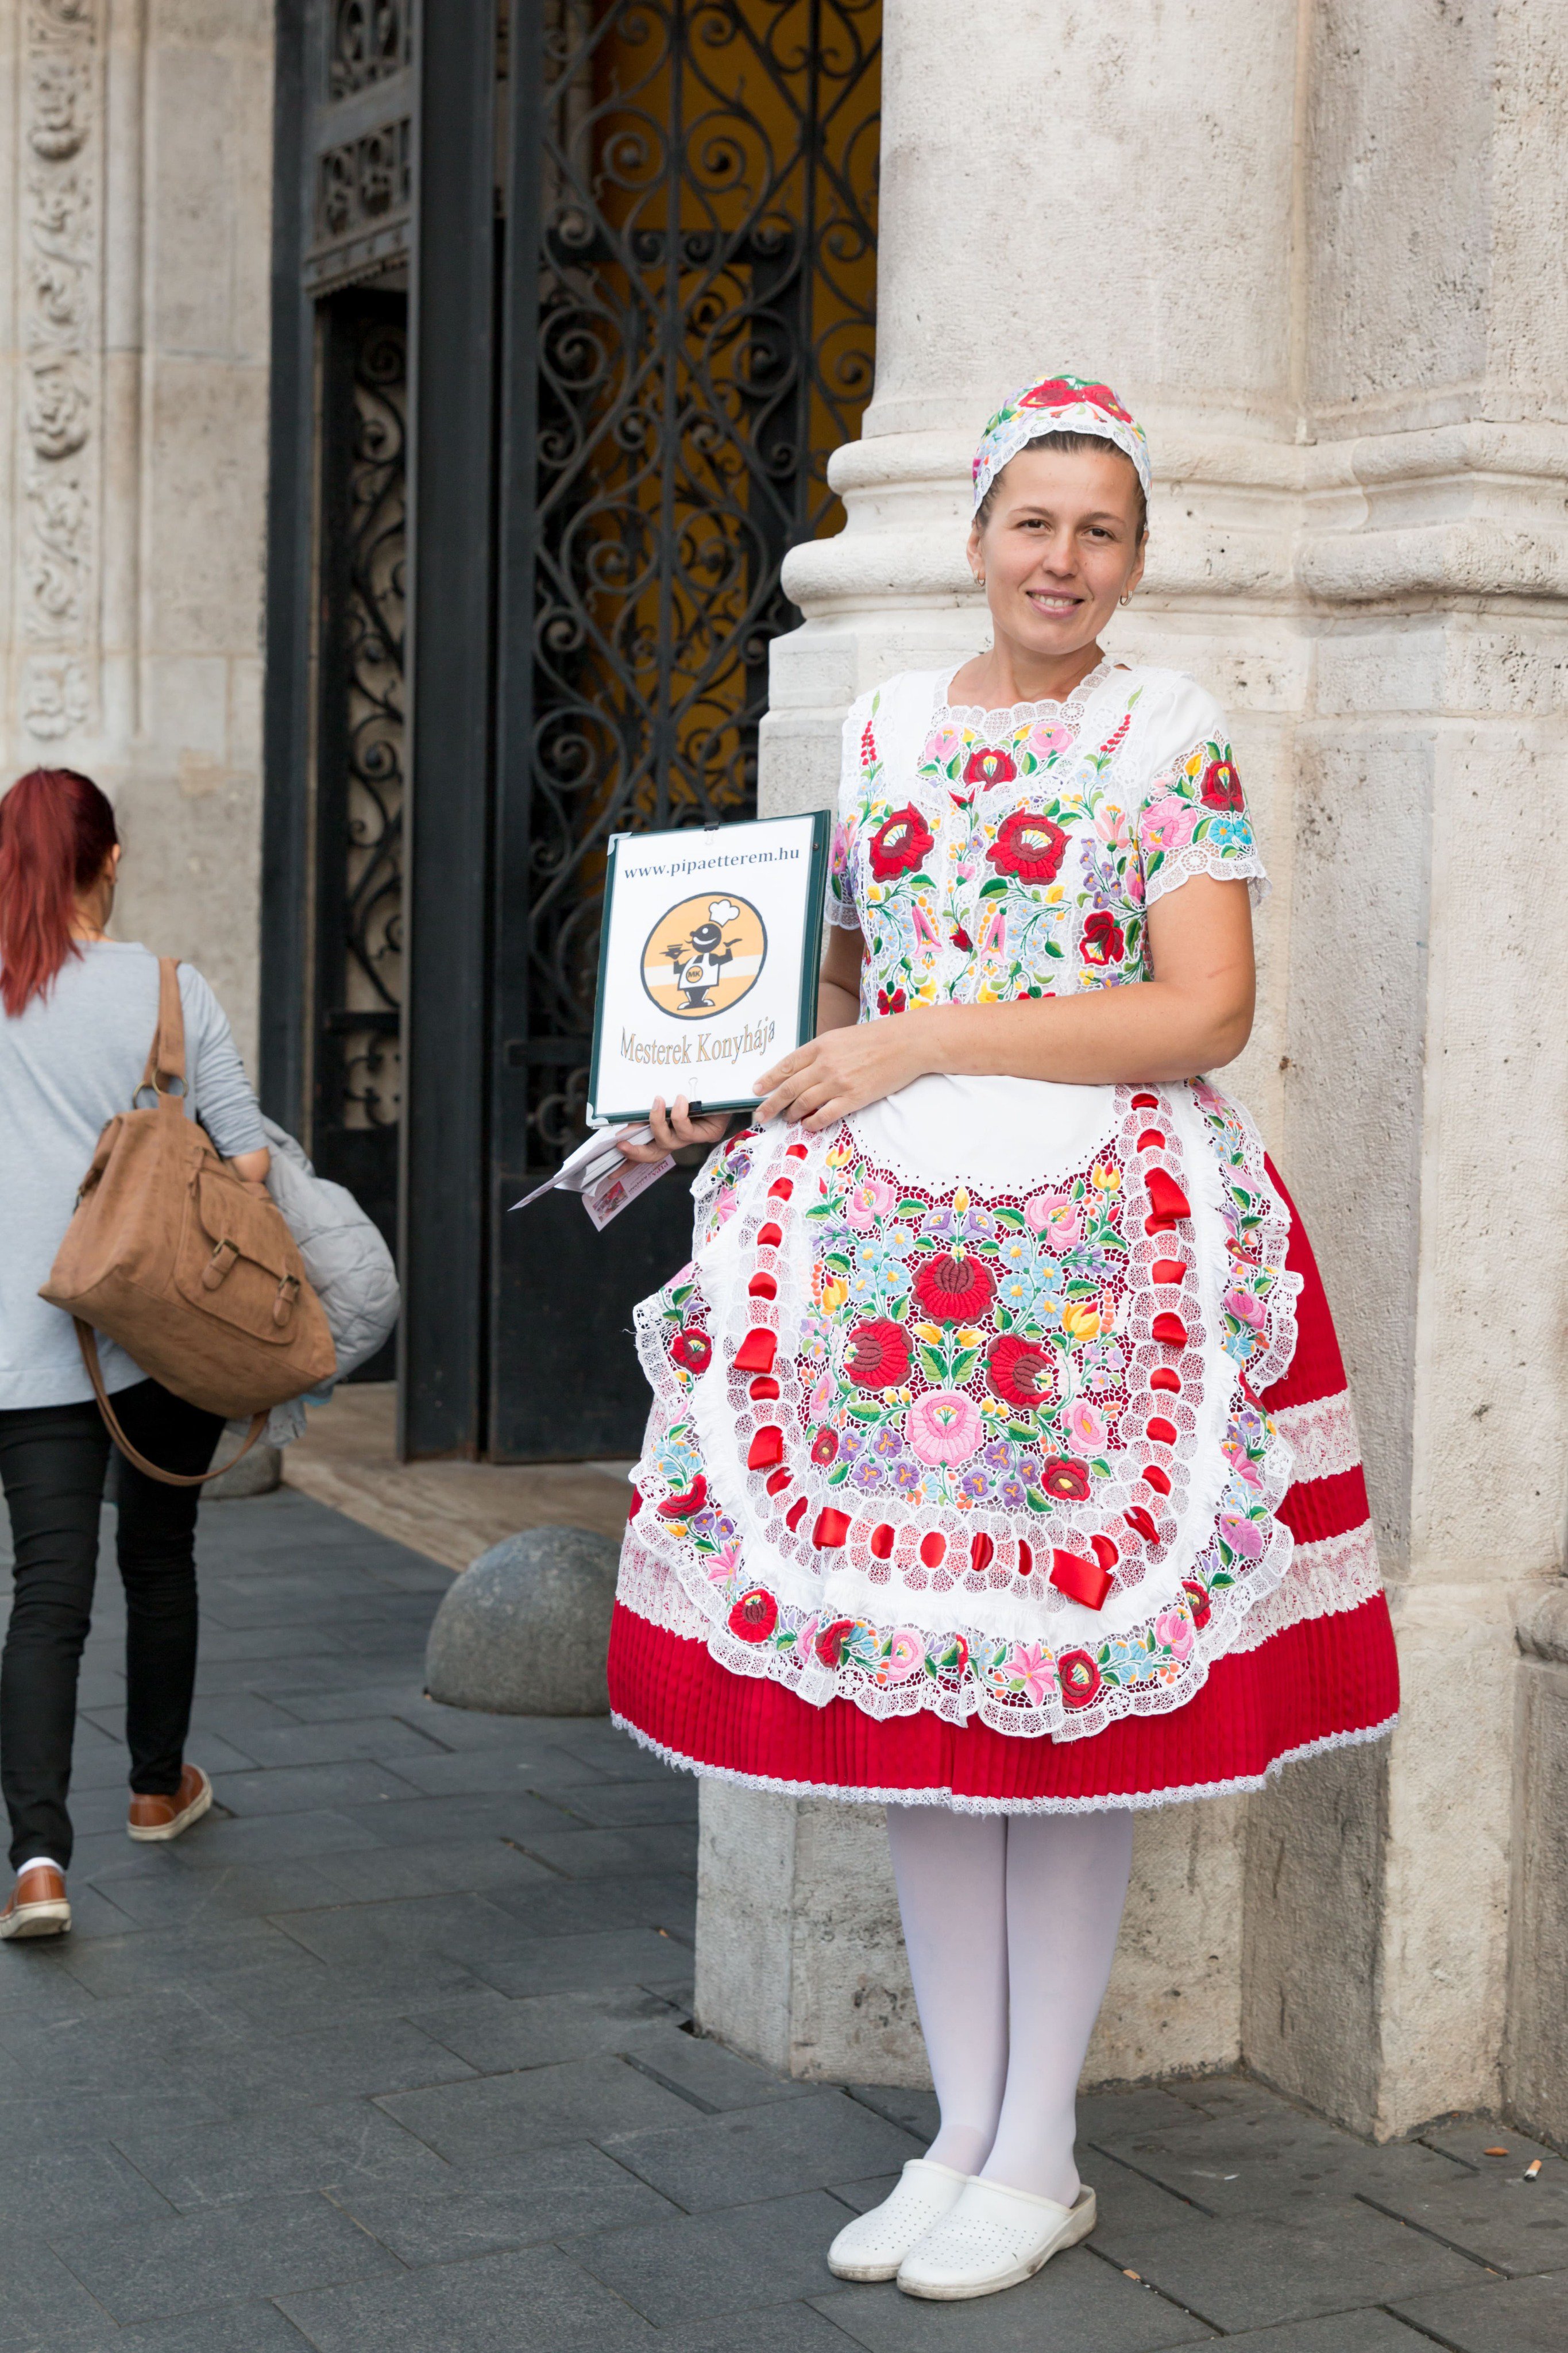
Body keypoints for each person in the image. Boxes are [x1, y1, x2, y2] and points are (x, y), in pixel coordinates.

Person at [605, 372, 1400, 2302]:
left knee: (1070, 1701)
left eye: (1100, 529)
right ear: (975, 540)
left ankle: (1042, 2144)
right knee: (926, 1706)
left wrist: (927, 1034)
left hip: (1093, 1253)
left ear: (1133, 560)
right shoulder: (881, 727)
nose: (1063, 559)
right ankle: (960, 2125)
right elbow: (860, 971)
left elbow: (1201, 1008)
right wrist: (713, 1079)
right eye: (1033, 523)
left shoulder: (1167, 729)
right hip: (888, 1237)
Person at [0, 769, 269, 1939]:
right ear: (112, 860)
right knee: (160, 1559)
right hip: (156, 1326)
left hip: (22, 1333)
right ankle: (158, 1786)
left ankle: (39, 1863)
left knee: (46, 1595)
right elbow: (248, 1158)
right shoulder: (170, 988)